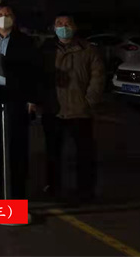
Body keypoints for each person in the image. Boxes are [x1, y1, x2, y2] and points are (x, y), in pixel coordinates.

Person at [0, 2, 40, 201]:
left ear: (14, 18)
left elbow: (34, 71)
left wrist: (32, 99)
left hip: (17, 95)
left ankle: (18, 191)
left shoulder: (26, 41)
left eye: (8, 14)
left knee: (18, 143)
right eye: (0, 14)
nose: (4, 17)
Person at [40, 13, 105, 202]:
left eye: (67, 23)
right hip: (54, 110)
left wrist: (89, 101)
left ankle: (85, 191)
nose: (64, 27)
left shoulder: (88, 50)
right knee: (53, 153)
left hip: (80, 111)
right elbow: (38, 77)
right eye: (59, 23)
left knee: (84, 155)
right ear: (54, 28)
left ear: (75, 27)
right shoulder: (46, 49)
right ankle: (53, 188)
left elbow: (98, 77)